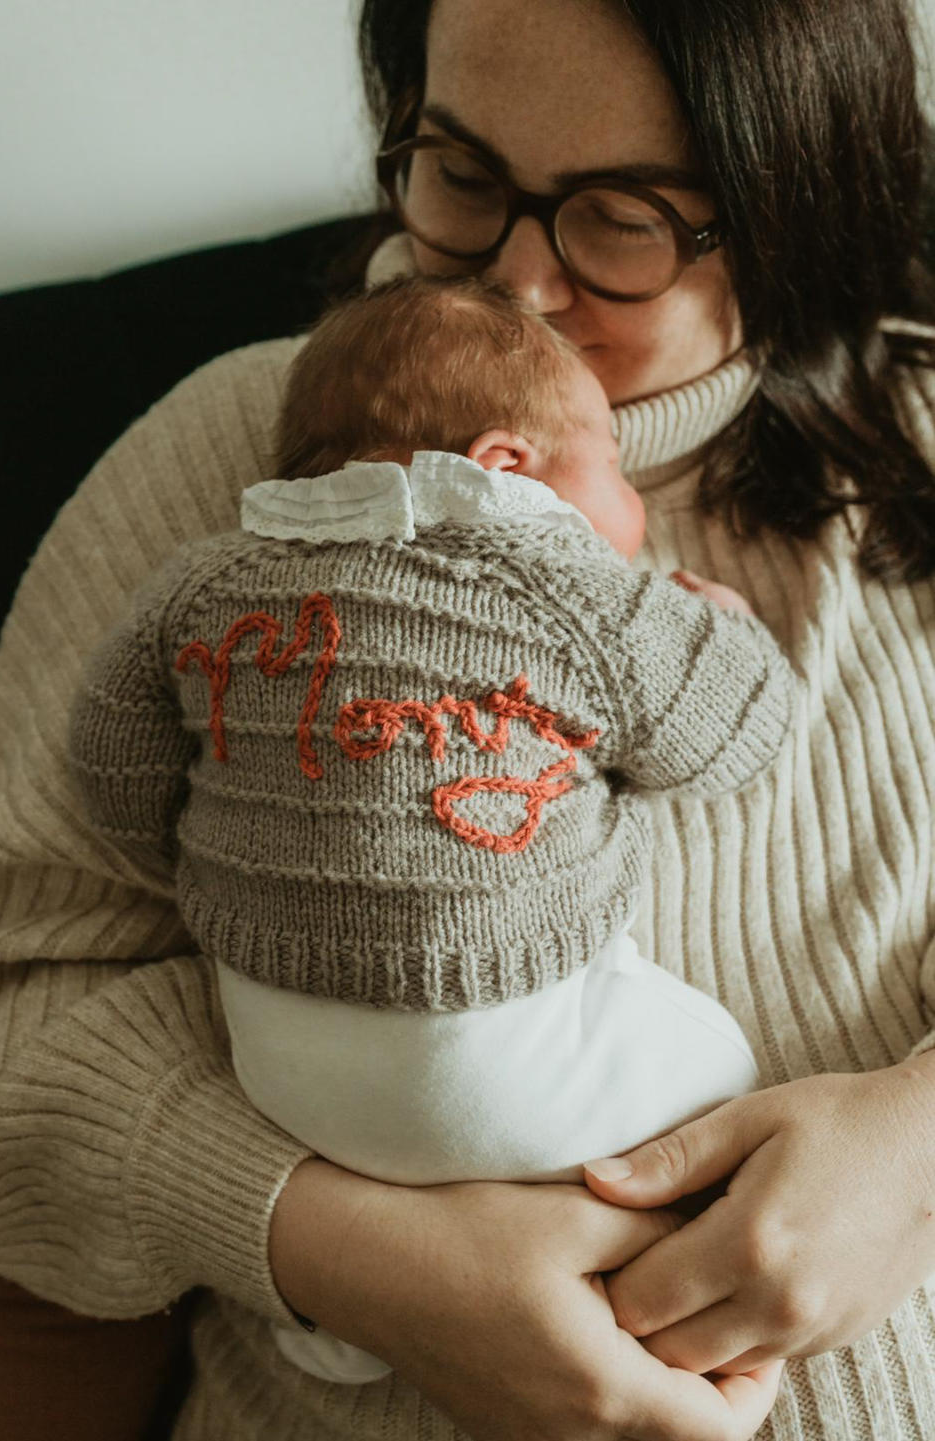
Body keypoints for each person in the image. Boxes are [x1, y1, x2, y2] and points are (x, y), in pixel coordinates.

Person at [0, 0, 935, 1437]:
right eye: (465, 178)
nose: (520, 287)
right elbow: (9, 1020)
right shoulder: (237, 464)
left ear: (794, 206)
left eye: (620, 219)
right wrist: (345, 1254)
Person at [68, 274, 789, 1387]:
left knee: (406, 1137)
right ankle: (616, 1272)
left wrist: (225, 825)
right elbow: (731, 732)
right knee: (721, 1067)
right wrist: (727, 629)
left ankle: (355, 1321)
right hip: (498, 1052)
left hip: (279, 1070)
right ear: (506, 467)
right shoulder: (564, 581)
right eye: (610, 457)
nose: (630, 497)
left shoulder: (206, 585)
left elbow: (109, 767)